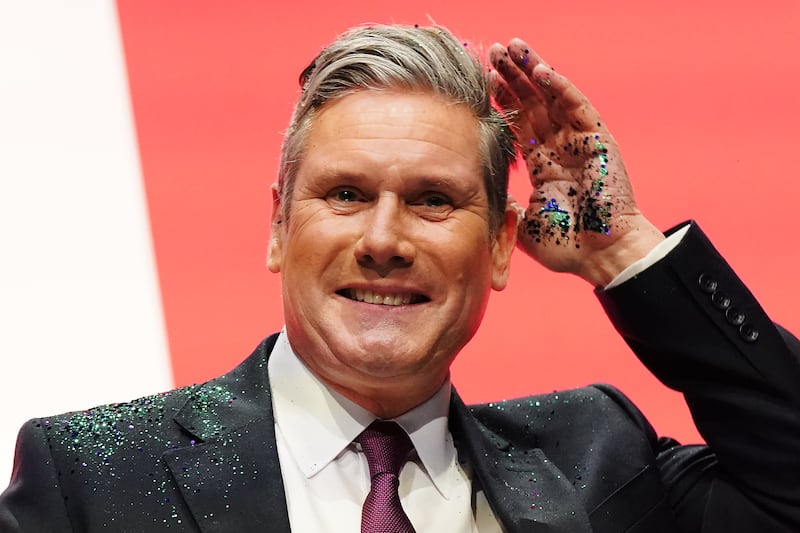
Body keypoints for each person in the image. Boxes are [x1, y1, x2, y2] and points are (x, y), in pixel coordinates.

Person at [1, 23, 798, 533]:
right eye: (346, 194)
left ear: (497, 248)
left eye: (433, 200)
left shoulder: (595, 457)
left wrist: (621, 249)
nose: (384, 239)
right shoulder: (94, 480)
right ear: (280, 226)